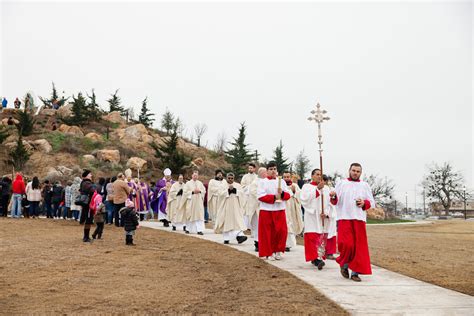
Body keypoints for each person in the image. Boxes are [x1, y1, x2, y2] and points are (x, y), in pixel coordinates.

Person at [330, 163, 375, 282]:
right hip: (344, 217)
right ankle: (344, 264)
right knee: (346, 244)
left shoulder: (364, 185)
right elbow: (335, 201)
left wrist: (364, 203)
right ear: (349, 171)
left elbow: (371, 202)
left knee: (358, 247)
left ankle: (355, 272)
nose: (355, 173)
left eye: (358, 171)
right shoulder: (341, 183)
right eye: (353, 170)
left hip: (359, 219)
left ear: (361, 173)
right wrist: (333, 197)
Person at [257, 162, 291, 260]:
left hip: (279, 209)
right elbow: (260, 196)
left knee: (281, 231)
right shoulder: (262, 182)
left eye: (275, 169)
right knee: (268, 233)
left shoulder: (282, 182)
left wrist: (282, 193)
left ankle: (278, 250)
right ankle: (269, 252)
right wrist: (274, 197)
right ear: (267, 171)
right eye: (271, 169)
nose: (273, 171)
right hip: (266, 210)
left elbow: (288, 195)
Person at [300, 169, 330, 270]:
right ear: (312, 176)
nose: (319, 176)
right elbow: (304, 199)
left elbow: (328, 202)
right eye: (317, 174)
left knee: (321, 237)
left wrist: (326, 213)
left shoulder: (326, 188)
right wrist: (317, 189)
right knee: (312, 236)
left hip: (321, 216)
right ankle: (315, 259)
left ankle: (318, 257)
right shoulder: (306, 186)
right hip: (312, 215)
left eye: (320, 175)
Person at [214, 173, 247, 244]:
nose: (230, 179)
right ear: (226, 178)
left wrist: (235, 190)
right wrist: (228, 190)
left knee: (236, 221)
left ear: (234, 178)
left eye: (232, 178)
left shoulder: (238, 185)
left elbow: (242, 194)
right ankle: (226, 238)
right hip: (226, 207)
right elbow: (220, 194)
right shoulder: (222, 185)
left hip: (235, 207)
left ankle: (240, 236)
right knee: (226, 222)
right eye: (229, 178)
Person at [283, 172, 304, 252]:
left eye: (288, 177)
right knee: (287, 225)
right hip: (284, 207)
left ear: (290, 177)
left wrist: (294, 191)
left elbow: (300, 195)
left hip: (292, 209)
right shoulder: (281, 185)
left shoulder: (295, 185)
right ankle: (286, 245)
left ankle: (289, 244)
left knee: (292, 225)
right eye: (285, 177)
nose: (286, 178)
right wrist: (291, 192)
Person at [182, 170, 206, 235]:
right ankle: (188, 229)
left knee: (199, 216)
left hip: (198, 202)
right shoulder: (188, 183)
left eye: (196, 175)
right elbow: (185, 192)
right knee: (190, 215)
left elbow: (204, 191)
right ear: (192, 175)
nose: (195, 177)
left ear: (198, 176)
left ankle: (199, 230)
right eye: (194, 175)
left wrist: (200, 191)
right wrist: (192, 192)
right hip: (191, 202)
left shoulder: (200, 183)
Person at [249, 167, 266, 252]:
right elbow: (254, 193)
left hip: (266, 207)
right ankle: (257, 243)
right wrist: (264, 197)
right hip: (257, 208)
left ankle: (264, 244)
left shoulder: (266, 181)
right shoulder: (255, 183)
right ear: (261, 173)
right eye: (265, 172)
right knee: (257, 227)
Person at [80, 170, 96, 242]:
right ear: (86, 175)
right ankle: (86, 237)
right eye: (90, 174)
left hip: (86, 204)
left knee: (88, 220)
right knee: (88, 220)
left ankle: (86, 236)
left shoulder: (84, 183)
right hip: (88, 204)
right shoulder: (87, 183)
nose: (91, 175)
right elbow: (93, 191)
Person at [241, 163, 257, 228]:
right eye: (249, 168)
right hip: (247, 197)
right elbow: (242, 185)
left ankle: (252, 226)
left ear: (254, 169)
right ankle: (245, 226)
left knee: (253, 212)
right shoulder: (245, 177)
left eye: (251, 168)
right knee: (246, 212)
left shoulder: (256, 177)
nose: (250, 169)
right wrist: (249, 187)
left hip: (253, 198)